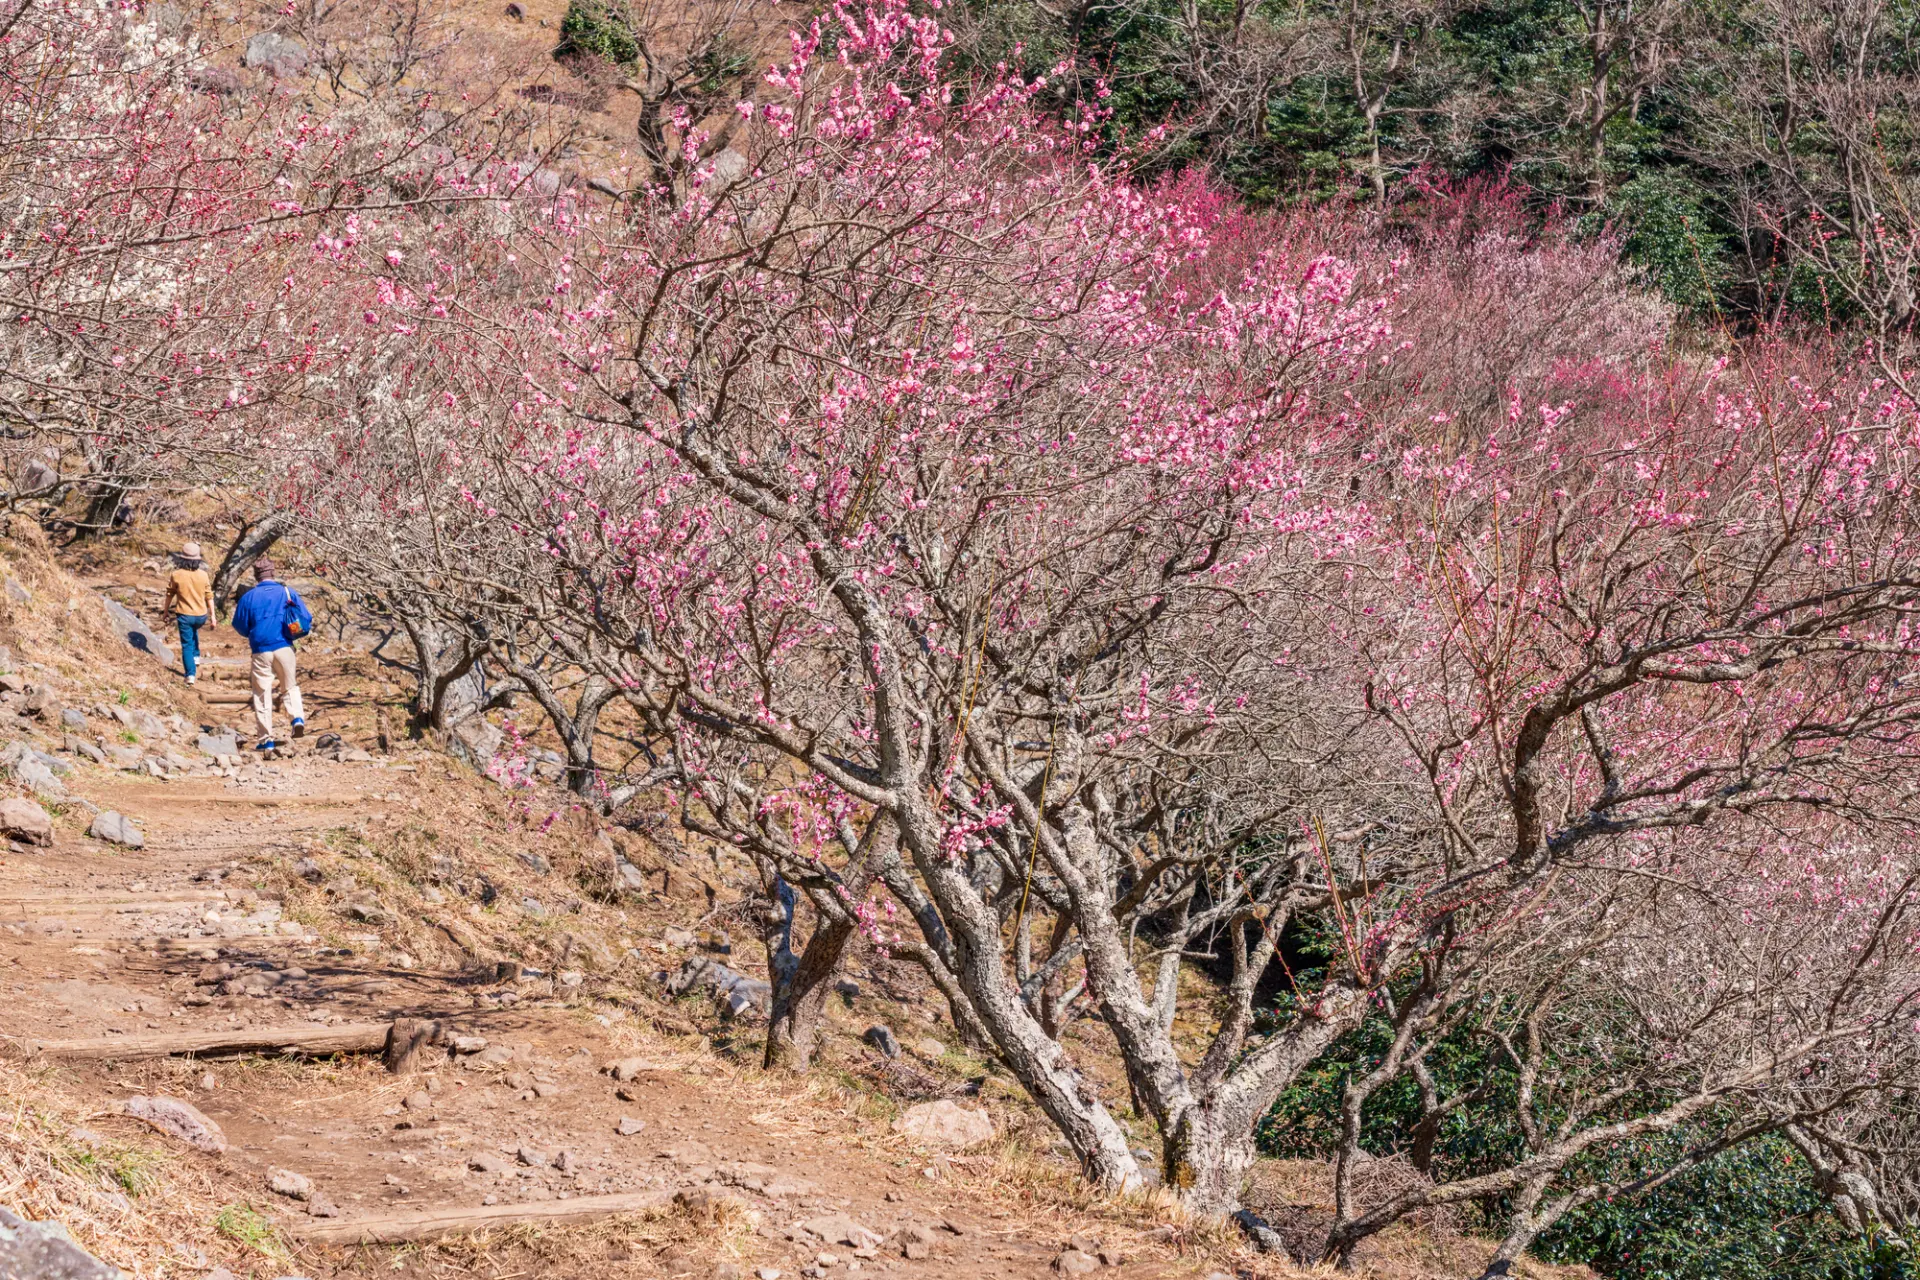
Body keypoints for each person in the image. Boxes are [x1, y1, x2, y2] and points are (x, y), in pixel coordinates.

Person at [229, 558, 313, 750]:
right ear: (273, 572)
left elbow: (239, 625)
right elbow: (306, 617)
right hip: (284, 645)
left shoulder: (248, 597)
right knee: (290, 686)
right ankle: (297, 718)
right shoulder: (287, 591)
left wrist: (252, 631)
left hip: (261, 649)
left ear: (256, 575)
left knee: (262, 693)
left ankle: (266, 740)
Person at [164, 541, 213, 685]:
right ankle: (196, 656)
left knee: (186, 645)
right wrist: (213, 616)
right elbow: (209, 596)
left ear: (182, 559)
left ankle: (190, 674)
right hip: (201, 616)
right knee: (193, 631)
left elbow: (169, 594)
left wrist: (165, 612)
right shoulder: (203, 575)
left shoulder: (176, 575)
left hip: (185, 615)